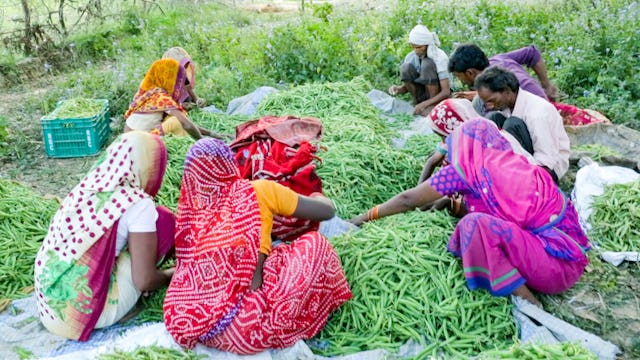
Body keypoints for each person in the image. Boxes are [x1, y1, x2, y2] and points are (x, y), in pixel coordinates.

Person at [350, 118, 590, 307]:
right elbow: (503, 209)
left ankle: (530, 303)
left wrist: (363, 217)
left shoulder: (463, 170)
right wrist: (450, 203)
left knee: (473, 226)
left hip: (551, 271)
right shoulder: (512, 163)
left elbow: (408, 199)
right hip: (567, 258)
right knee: (477, 220)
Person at [163, 138, 352, 354]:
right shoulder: (257, 190)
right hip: (248, 326)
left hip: (188, 323)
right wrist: (319, 195)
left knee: (275, 251)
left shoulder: (190, 215)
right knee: (314, 244)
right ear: (229, 164)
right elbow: (326, 212)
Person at [34, 131, 176, 341]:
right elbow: (145, 281)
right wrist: (170, 274)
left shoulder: (89, 186)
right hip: (83, 315)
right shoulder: (138, 203)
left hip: (48, 302)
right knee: (164, 222)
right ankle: (116, 308)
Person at [448, 43, 610, 126]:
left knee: (485, 114)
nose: (460, 81)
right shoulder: (497, 60)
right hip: (540, 104)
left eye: (458, 76)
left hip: (538, 116)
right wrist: (546, 84)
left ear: (470, 72)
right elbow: (531, 52)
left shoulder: (494, 83)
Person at [474, 66, 570, 181]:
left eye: (491, 100)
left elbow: (546, 160)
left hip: (547, 170)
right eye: (486, 102)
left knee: (512, 124)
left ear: (507, 91)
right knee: (492, 119)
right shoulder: (507, 107)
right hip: (528, 160)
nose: (489, 106)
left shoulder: (537, 113)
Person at [124, 58, 215, 140]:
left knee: (174, 121)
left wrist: (211, 134)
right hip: (137, 140)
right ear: (168, 78)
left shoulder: (151, 91)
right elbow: (187, 125)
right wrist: (203, 140)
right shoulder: (161, 97)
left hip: (130, 136)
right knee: (175, 122)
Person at [388, 25, 451, 116]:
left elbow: (446, 91)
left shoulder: (440, 58)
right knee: (405, 67)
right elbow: (408, 85)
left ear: (427, 45)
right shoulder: (411, 57)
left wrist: (426, 104)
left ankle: (432, 105)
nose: (416, 51)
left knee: (427, 64)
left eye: (419, 47)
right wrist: (399, 89)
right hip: (422, 95)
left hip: (438, 96)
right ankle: (417, 103)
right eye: (413, 47)